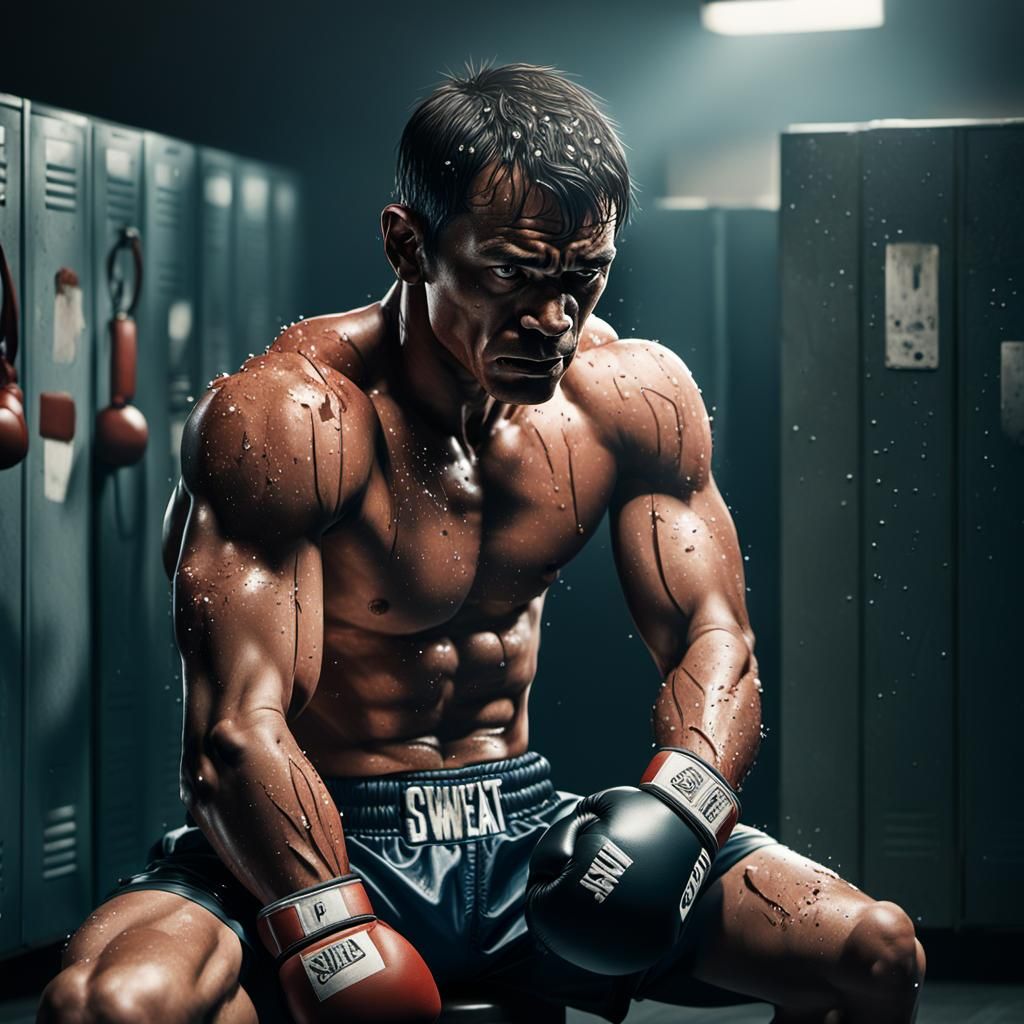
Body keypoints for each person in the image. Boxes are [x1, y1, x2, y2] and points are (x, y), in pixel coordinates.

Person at [38, 63, 925, 1024]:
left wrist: (683, 806)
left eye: (582, 274)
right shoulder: (292, 420)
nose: (552, 320)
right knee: (113, 1007)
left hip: (524, 834)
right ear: (408, 242)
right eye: (510, 273)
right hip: (312, 834)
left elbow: (717, 637)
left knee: (873, 952)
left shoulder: (630, 398)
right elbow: (233, 735)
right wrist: (327, 926)